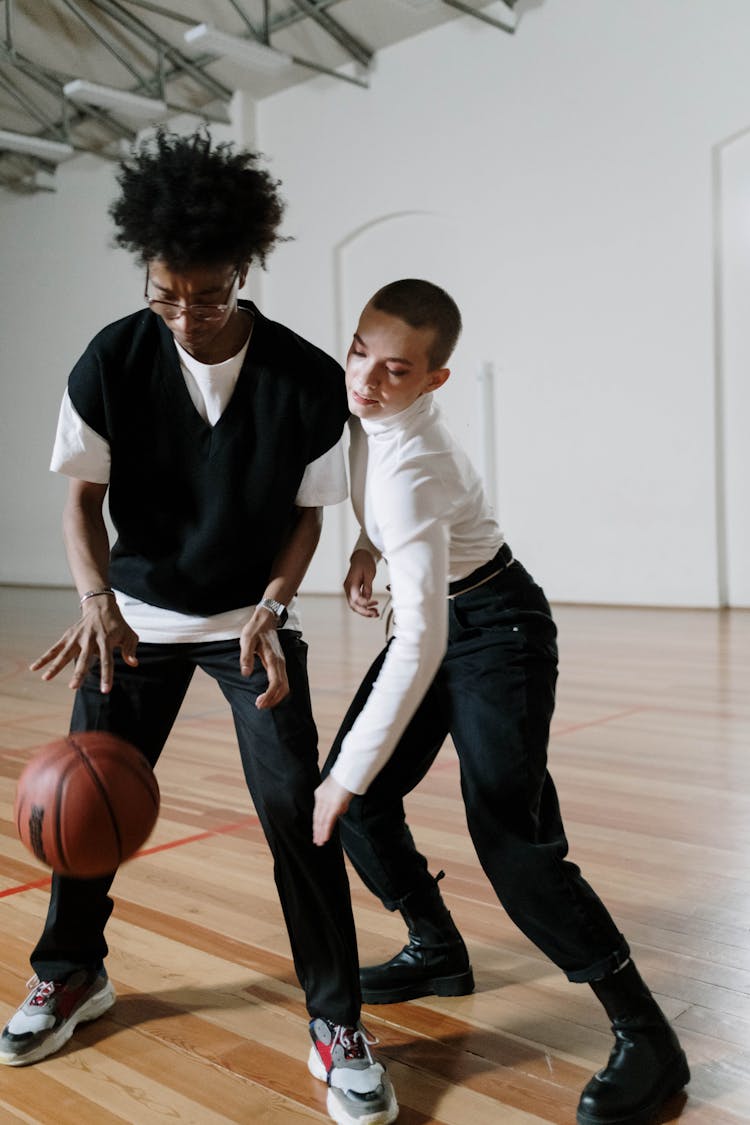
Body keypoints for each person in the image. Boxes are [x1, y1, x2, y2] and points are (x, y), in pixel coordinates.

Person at [0, 131, 398, 1125]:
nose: (186, 313)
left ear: (245, 270)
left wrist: (270, 608)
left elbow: (310, 516)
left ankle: (336, 1021)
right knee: (79, 817)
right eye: (165, 292)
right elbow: (80, 502)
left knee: (298, 816)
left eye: (208, 294)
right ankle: (70, 974)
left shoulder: (304, 379)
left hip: (247, 623)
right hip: (131, 621)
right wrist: (93, 600)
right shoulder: (112, 358)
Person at [312, 279, 689, 1125]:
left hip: (497, 629)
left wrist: (340, 778)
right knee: (365, 802)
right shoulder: (363, 414)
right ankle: (437, 947)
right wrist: (370, 545)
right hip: (443, 608)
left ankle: (647, 1035)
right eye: (359, 352)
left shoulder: (418, 464)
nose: (367, 379)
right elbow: (375, 479)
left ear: (434, 381)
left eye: (396, 369)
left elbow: (420, 643)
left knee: (506, 835)